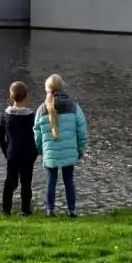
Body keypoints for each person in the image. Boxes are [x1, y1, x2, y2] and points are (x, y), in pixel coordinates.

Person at [33, 74, 88, 218]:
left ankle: (50, 210)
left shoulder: (41, 109)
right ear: (62, 87)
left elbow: (37, 133)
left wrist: (41, 149)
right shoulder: (73, 106)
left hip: (50, 151)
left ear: (47, 89)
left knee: (51, 179)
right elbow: (82, 130)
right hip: (69, 150)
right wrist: (80, 148)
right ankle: (72, 211)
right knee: (68, 180)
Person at [0, 80, 38, 216]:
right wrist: (35, 152)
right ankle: (26, 210)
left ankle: (5, 209)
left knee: (10, 181)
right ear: (27, 97)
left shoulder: (6, 115)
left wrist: (7, 151)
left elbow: (0, 136)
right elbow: (36, 136)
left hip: (12, 153)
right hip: (28, 154)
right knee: (26, 183)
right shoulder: (31, 116)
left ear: (10, 97)